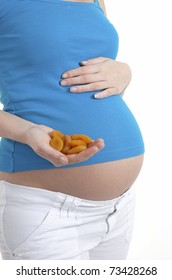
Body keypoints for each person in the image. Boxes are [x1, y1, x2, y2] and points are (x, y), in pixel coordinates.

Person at [0, 0, 144, 260]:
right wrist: (26, 132)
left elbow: (93, 79)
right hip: (45, 210)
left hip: (119, 209)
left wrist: (125, 73)